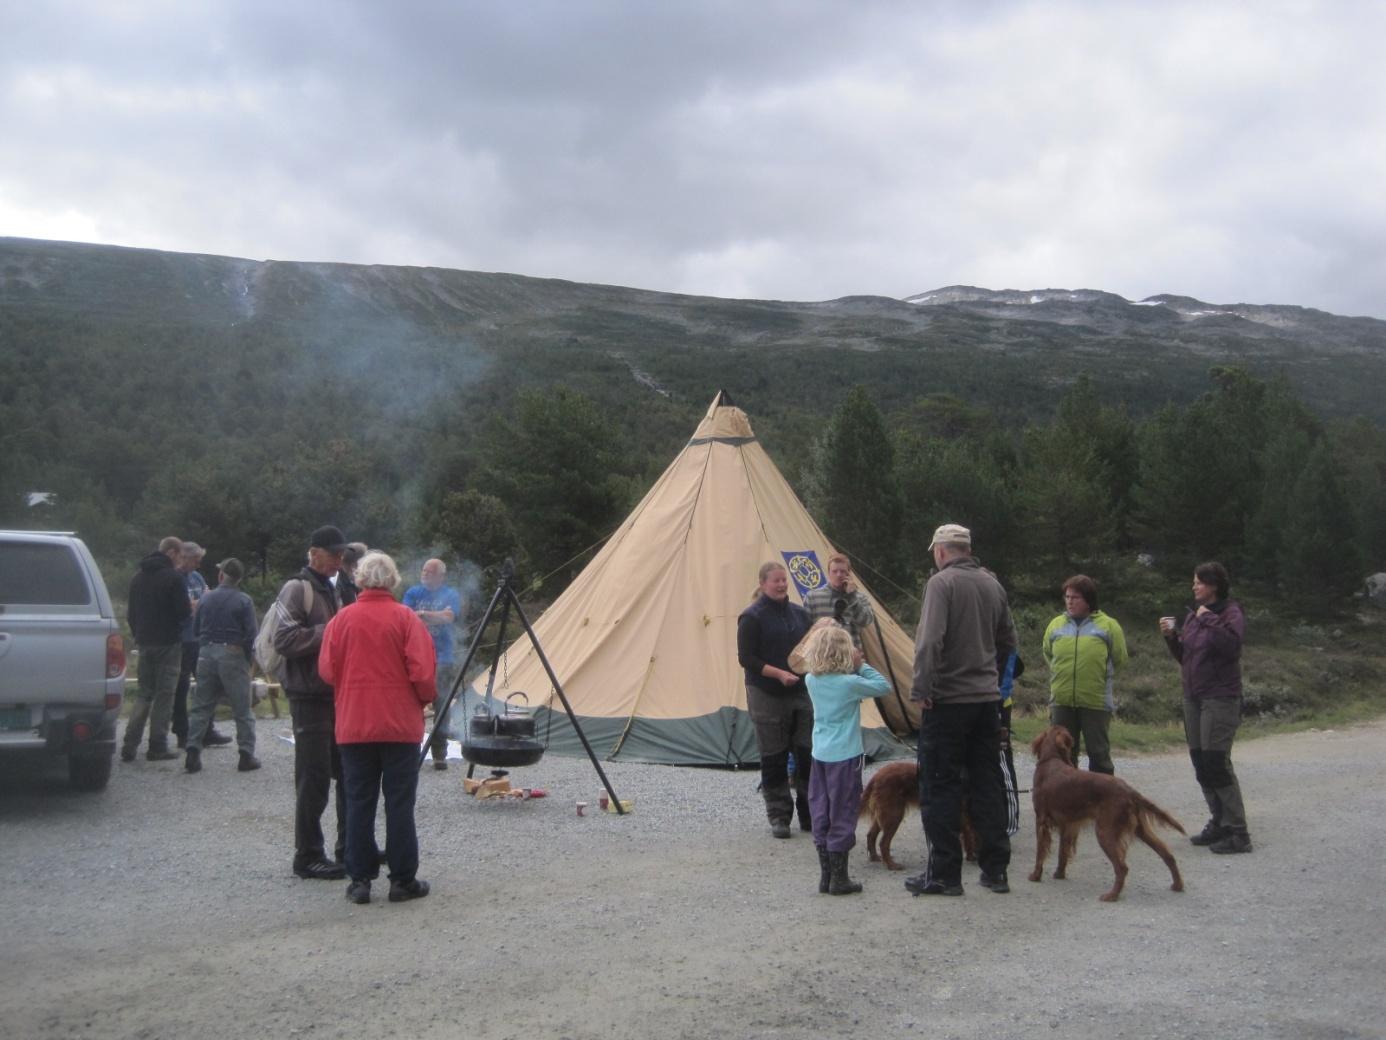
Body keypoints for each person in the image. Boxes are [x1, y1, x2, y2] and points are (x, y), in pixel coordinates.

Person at [905, 523, 1016, 897]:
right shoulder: (992, 584)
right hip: (985, 702)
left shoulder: (941, 584)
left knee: (939, 785)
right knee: (988, 782)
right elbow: (1008, 641)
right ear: (967, 549)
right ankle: (996, 870)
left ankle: (944, 874)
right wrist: (992, 680)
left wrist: (922, 688)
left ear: (940, 551)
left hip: (948, 702)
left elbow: (929, 641)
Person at [319, 551, 437, 905]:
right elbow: (423, 674)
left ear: (359, 580)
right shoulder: (405, 619)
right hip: (399, 725)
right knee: (399, 803)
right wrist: (423, 698)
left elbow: (326, 671)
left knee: (358, 802)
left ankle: (359, 880)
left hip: (355, 725)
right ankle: (402, 880)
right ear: (393, 581)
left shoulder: (341, 620)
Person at [275, 524, 350, 881]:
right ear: (314, 553)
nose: (339, 560)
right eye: (333, 554)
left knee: (346, 774)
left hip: (332, 694)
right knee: (314, 778)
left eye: (341, 554)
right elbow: (284, 639)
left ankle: (348, 847)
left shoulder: (330, 589)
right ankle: (307, 856)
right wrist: (330, 632)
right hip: (308, 696)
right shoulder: (297, 588)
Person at [1161, 561, 1252, 855]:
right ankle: (1219, 822)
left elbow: (1232, 646)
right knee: (1201, 762)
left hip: (1221, 697)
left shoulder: (1230, 613)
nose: (1194, 586)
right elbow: (1187, 658)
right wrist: (1172, 638)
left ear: (1213, 585)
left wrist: (1208, 619)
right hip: (1194, 697)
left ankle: (1238, 832)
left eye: (1198, 581)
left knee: (1216, 761)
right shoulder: (1193, 617)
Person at [804, 625, 891, 895]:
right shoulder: (849, 684)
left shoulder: (811, 680)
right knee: (843, 811)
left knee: (821, 809)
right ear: (844, 653)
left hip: (820, 754)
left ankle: (826, 875)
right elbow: (883, 686)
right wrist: (860, 665)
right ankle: (839, 879)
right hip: (845, 756)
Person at [736, 560, 814, 839]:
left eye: (784, 580)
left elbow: (809, 648)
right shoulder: (751, 617)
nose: (781, 585)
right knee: (774, 757)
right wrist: (779, 674)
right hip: (766, 693)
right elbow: (746, 658)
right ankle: (779, 816)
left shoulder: (800, 614)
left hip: (801, 692)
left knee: (807, 755)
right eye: (776, 581)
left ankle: (809, 813)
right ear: (763, 584)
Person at [1041, 575, 1128, 775]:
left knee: (1098, 755)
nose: (1070, 601)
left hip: (1095, 702)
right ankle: (1066, 801)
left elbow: (1120, 658)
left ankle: (1103, 801)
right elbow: (1048, 653)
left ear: (1089, 599)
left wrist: (1098, 678)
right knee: (1062, 754)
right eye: (1067, 596)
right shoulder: (1055, 625)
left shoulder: (1108, 626)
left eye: (1076, 597)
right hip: (1061, 700)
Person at [184, 558, 260, 774]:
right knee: (242, 708)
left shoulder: (206, 599)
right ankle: (246, 755)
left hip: (206, 652)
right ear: (239, 579)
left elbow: (196, 628)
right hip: (233, 652)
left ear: (221, 576)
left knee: (202, 705)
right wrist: (246, 658)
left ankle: (192, 752)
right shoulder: (244, 600)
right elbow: (251, 634)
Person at [123, 536, 192, 761]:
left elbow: (130, 614)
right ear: (171, 553)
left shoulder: (137, 578)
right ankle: (157, 745)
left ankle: (130, 743)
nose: (181, 560)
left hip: (144, 642)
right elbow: (183, 612)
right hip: (168, 643)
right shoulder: (173, 578)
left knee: (144, 693)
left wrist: (139, 634)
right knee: (165, 695)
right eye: (180, 555)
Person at [402, 559, 463, 770]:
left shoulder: (451, 594)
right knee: (411, 704)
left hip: (443, 657)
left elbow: (448, 617)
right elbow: (406, 618)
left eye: (430, 571)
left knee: (442, 705)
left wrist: (422, 614)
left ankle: (439, 754)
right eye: (424, 570)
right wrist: (432, 616)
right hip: (416, 656)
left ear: (440, 576)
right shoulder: (413, 592)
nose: (425, 574)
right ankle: (411, 750)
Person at [171, 541, 230, 750]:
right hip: (180, 638)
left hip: (199, 638)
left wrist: (199, 603)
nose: (198, 565)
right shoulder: (176, 578)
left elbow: (207, 601)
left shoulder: (196, 577)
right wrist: (198, 603)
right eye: (196, 560)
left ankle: (207, 730)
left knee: (208, 683)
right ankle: (182, 731)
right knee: (181, 685)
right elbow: (188, 607)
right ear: (184, 557)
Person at [802, 553, 875, 648]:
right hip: (822, 656)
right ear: (828, 573)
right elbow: (805, 630)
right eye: (835, 571)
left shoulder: (859, 598)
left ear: (849, 573)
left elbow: (866, 621)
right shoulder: (813, 597)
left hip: (851, 655)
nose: (839, 575)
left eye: (843, 571)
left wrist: (851, 596)